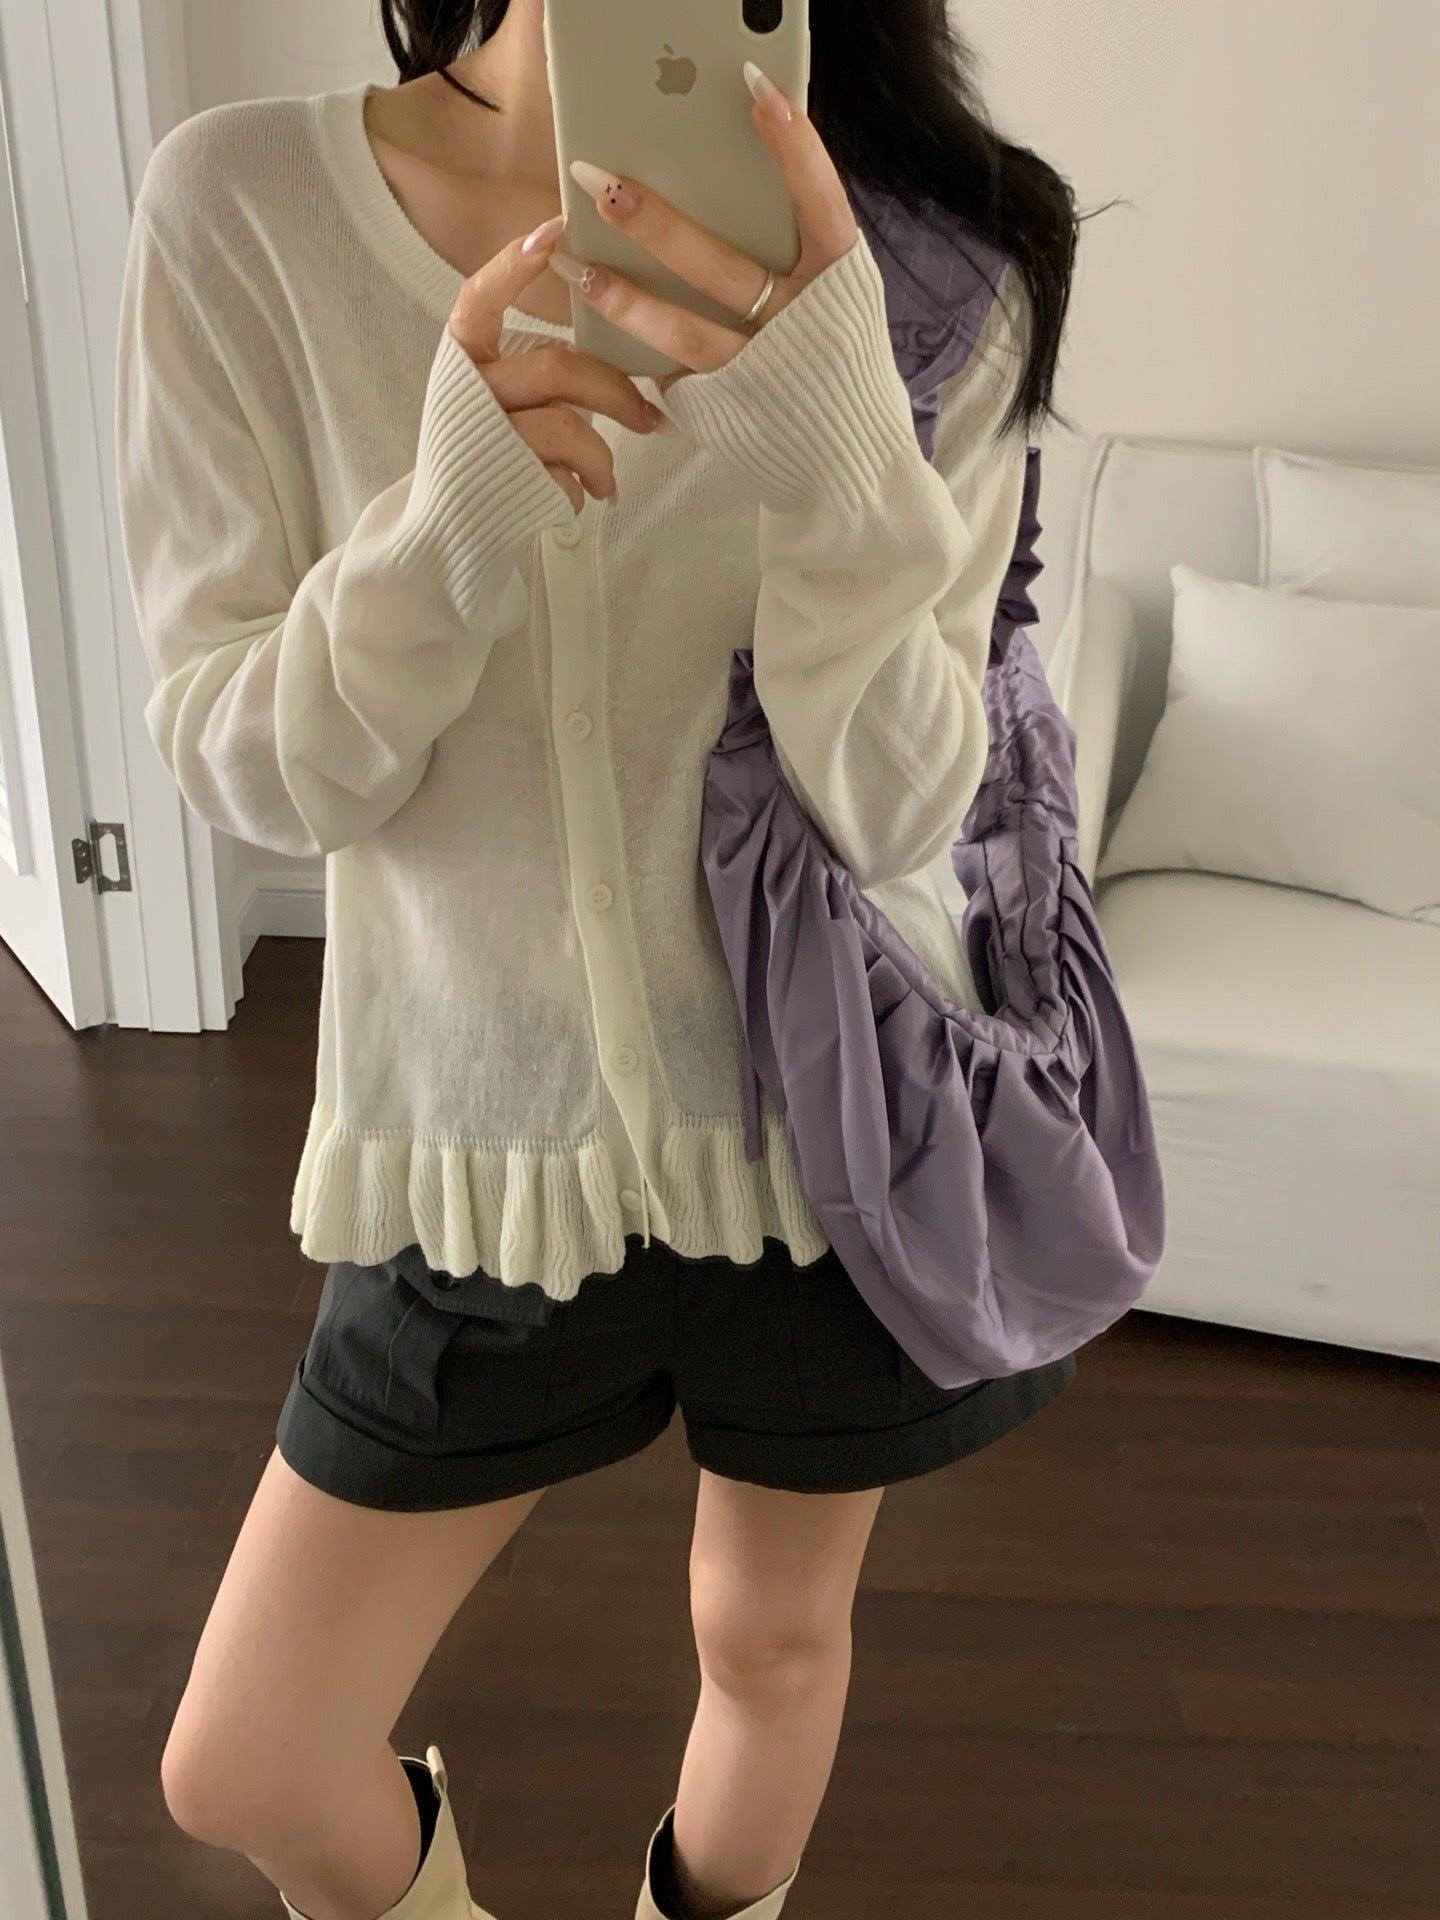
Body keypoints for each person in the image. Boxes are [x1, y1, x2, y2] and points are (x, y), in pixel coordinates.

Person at [113, 3, 1083, 1918]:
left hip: (825, 1141)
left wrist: (836, 432)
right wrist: (447, 524)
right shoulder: (240, 209)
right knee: (249, 1759)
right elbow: (253, 768)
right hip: (474, 1146)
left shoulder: (940, 258)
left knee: (771, 1648)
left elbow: (904, 807)